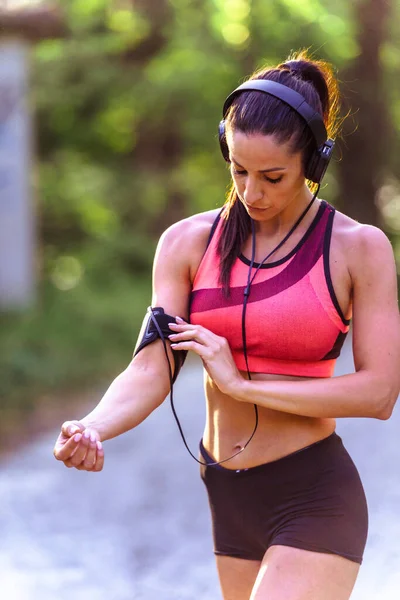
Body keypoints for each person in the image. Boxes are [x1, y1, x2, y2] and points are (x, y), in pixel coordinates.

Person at [53, 50, 400, 600]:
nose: (251, 192)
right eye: (238, 169)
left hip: (313, 493)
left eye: (272, 176)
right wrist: (94, 425)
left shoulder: (357, 248)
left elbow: (379, 392)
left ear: (314, 163)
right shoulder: (186, 244)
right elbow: (151, 367)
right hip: (228, 497)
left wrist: (241, 385)